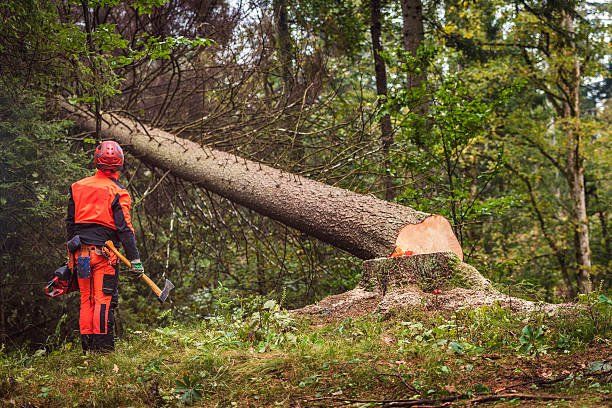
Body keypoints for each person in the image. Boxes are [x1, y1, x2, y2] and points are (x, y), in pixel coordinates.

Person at [66, 140, 144, 353]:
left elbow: (70, 224)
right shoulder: (118, 192)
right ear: (120, 164)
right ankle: (102, 352)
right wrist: (135, 259)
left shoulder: (77, 187)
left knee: (86, 300)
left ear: (96, 161)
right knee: (102, 301)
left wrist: (70, 255)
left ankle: (87, 351)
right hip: (104, 256)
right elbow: (125, 229)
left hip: (80, 253)